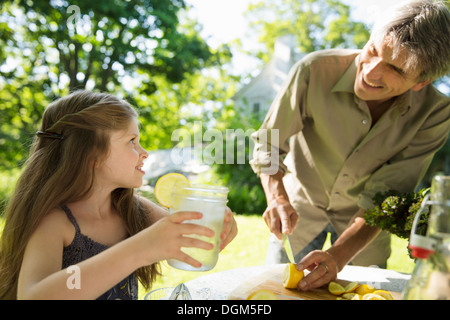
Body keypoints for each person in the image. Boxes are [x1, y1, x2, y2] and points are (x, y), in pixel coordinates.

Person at [250, 0, 450, 291]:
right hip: (298, 215)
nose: (370, 72)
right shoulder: (312, 71)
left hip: (363, 236)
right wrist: (277, 196)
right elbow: (268, 142)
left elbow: (386, 197)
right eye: (372, 50)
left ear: (421, 82)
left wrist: (340, 254)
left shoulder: (436, 113)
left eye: (394, 68)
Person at [0, 90, 238, 300]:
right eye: (132, 141)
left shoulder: (131, 208)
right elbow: (33, 296)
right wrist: (137, 250)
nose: (144, 153)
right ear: (91, 154)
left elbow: (182, 237)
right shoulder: (55, 221)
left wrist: (213, 221)